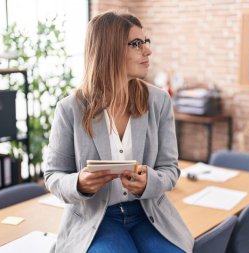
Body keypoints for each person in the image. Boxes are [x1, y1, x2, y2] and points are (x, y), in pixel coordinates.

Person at [44, 10, 194, 253]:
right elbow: (53, 176)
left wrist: (149, 182)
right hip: (96, 218)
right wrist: (80, 183)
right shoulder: (69, 108)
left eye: (145, 42)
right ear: (109, 51)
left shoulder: (159, 101)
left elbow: (170, 170)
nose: (147, 50)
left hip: (149, 213)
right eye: (136, 44)